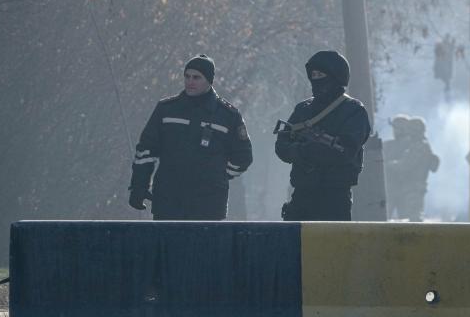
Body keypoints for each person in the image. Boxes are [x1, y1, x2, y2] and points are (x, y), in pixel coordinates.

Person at [128, 54, 253, 220]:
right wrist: (139, 186)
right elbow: (146, 151)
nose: (190, 81)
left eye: (196, 77)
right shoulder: (166, 110)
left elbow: (243, 156)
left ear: (209, 80)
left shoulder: (227, 116)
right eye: (187, 76)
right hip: (168, 200)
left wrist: (217, 176)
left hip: (209, 205)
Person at [274, 50, 370, 221]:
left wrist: (309, 151)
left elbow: (345, 151)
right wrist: (300, 151)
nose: (316, 79)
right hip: (302, 194)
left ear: (336, 76)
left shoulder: (353, 111)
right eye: (314, 75)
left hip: (334, 197)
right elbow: (282, 145)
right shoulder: (303, 109)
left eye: (321, 74)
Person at [383, 115, 440, 221]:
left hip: (413, 188)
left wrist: (388, 164)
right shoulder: (418, 146)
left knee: (413, 220)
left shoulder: (419, 147)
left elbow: (405, 165)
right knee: (408, 220)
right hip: (409, 188)